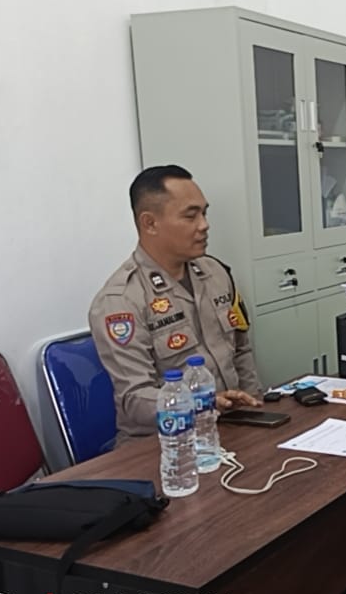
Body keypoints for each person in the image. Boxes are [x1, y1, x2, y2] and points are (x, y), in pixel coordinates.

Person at [89, 165, 264, 443]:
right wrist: (201, 404)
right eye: (190, 216)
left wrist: (256, 408)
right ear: (150, 223)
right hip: (165, 441)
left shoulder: (216, 273)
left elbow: (241, 351)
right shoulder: (120, 301)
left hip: (231, 426)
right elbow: (135, 398)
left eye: (204, 213)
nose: (204, 225)